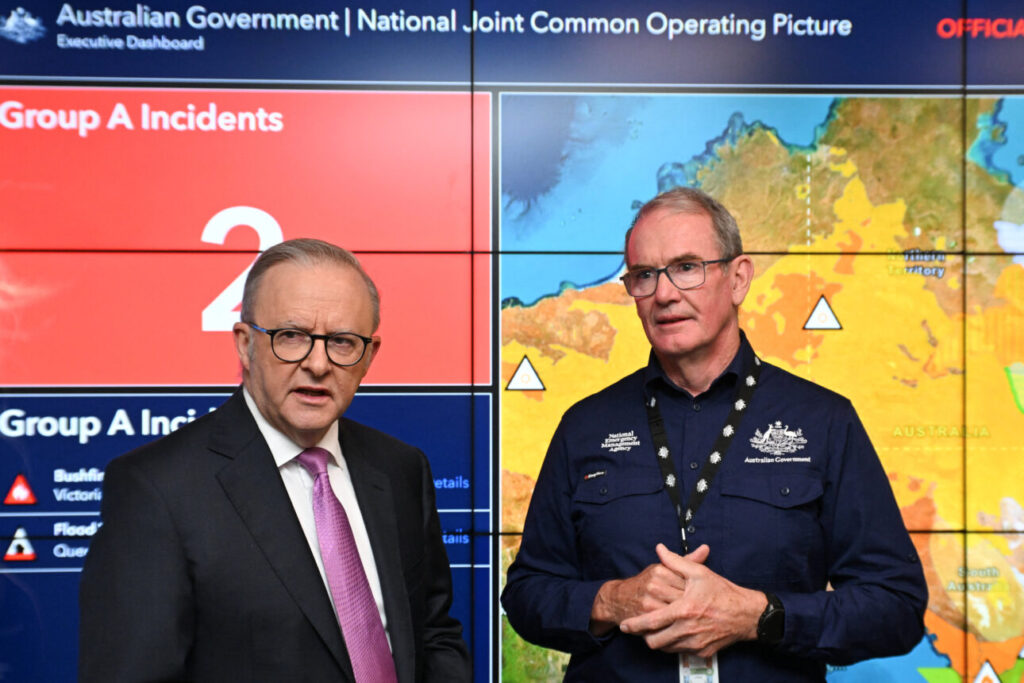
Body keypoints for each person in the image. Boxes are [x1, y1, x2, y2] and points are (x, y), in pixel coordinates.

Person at [501, 187, 928, 681]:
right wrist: (611, 600)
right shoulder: (584, 426)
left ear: (738, 278)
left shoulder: (824, 420)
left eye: (687, 267)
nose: (664, 294)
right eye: (644, 275)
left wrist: (760, 617)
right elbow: (527, 594)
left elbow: (895, 606)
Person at [80, 238, 470, 682]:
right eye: (292, 336)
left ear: (368, 357)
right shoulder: (157, 489)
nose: (318, 364)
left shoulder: (401, 468)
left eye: (342, 342)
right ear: (245, 344)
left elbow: (433, 635)